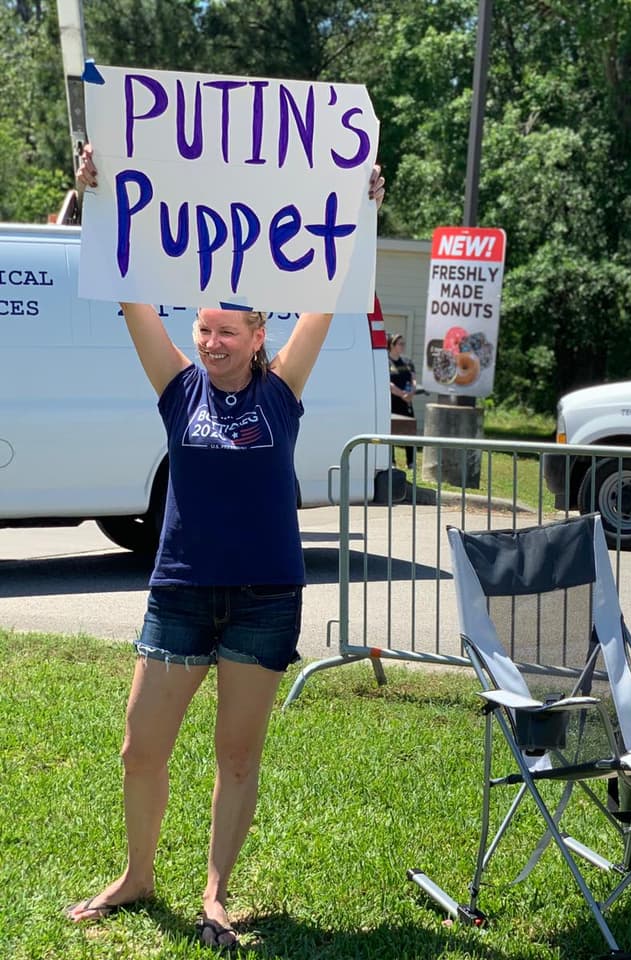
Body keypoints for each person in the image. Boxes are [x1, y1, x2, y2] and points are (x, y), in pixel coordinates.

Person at [64, 143, 385, 951]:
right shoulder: (178, 389)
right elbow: (133, 294)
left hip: (265, 598)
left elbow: (327, 296)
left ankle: (214, 892)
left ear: (257, 335)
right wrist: (97, 194)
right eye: (203, 328)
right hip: (180, 591)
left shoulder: (281, 391)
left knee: (237, 756)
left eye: (225, 332)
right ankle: (138, 876)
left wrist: (360, 207)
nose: (210, 342)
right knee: (140, 748)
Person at [388, 333, 418, 469]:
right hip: (392, 402)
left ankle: (411, 461)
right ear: (392, 345)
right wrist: (402, 394)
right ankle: (391, 461)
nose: (403, 346)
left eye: (403, 344)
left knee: (409, 430)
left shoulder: (407, 362)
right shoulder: (386, 362)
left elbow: (413, 379)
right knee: (390, 431)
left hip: (406, 402)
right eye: (400, 344)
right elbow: (388, 383)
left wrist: (412, 392)